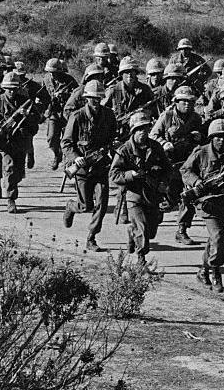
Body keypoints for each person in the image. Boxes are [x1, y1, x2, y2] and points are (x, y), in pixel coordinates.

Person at [181, 118, 224, 293]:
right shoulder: (201, 152)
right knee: (218, 237)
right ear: (211, 138)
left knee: (214, 239)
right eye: (217, 137)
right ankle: (216, 272)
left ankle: (203, 270)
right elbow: (185, 170)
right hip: (207, 203)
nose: (222, 140)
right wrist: (196, 182)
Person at [111, 112, 174, 270]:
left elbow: (168, 169)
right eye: (139, 129)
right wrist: (130, 175)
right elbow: (114, 175)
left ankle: (132, 233)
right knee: (143, 228)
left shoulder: (155, 147)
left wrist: (164, 183)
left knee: (151, 231)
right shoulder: (124, 150)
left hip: (153, 194)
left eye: (146, 128)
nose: (143, 132)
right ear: (133, 130)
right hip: (134, 195)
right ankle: (141, 259)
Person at [62, 80, 118, 253]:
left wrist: (114, 145)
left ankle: (91, 237)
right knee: (85, 205)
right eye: (92, 98)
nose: (96, 101)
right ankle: (71, 207)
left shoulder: (108, 115)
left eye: (99, 97)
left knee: (102, 204)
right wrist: (76, 158)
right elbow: (66, 143)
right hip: (83, 168)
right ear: (86, 98)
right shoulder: (77, 116)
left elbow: (113, 136)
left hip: (101, 166)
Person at [150, 85, 205, 246]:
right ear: (176, 102)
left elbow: (201, 139)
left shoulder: (196, 118)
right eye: (183, 101)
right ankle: (157, 212)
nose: (187, 104)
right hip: (168, 162)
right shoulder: (167, 116)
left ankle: (182, 230)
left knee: (189, 196)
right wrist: (164, 143)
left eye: (190, 102)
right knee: (170, 199)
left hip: (187, 163)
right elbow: (153, 135)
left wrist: (198, 136)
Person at [0, 72, 41, 214]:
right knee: (10, 168)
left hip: (19, 140)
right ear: (4, 88)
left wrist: (28, 116)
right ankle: (11, 199)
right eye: (9, 88)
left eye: (14, 88)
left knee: (18, 171)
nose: (12, 91)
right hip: (4, 141)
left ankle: (11, 186)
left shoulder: (25, 101)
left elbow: (36, 120)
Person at [11, 61, 51, 170]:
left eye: (22, 75)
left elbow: (46, 97)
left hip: (28, 116)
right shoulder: (9, 83)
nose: (20, 77)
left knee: (27, 138)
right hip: (13, 115)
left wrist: (38, 108)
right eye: (17, 75)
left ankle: (29, 154)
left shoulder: (32, 85)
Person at [42, 58, 79, 170]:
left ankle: (67, 159)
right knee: (51, 138)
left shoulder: (70, 80)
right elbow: (43, 95)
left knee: (69, 138)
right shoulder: (46, 79)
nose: (52, 75)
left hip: (68, 113)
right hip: (54, 112)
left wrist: (64, 95)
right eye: (50, 72)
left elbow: (76, 96)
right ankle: (56, 154)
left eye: (54, 72)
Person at [104, 56, 156, 127]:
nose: (129, 74)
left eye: (132, 71)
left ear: (136, 73)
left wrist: (146, 112)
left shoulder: (145, 90)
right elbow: (102, 111)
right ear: (121, 74)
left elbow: (154, 109)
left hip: (139, 128)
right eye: (126, 72)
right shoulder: (113, 90)